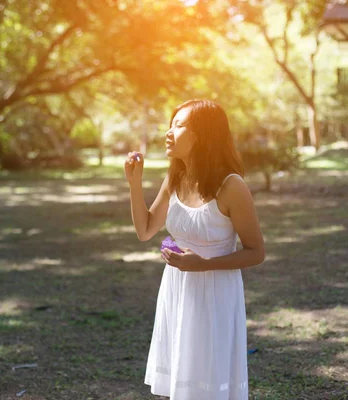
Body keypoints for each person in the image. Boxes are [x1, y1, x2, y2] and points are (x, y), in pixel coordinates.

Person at [124, 99, 265, 400]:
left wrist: (202, 264)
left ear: (203, 134)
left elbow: (256, 252)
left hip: (215, 292)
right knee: (179, 380)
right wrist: (134, 184)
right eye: (170, 124)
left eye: (179, 125)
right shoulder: (175, 178)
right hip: (177, 288)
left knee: (207, 383)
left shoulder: (231, 186)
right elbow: (145, 230)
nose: (169, 132)